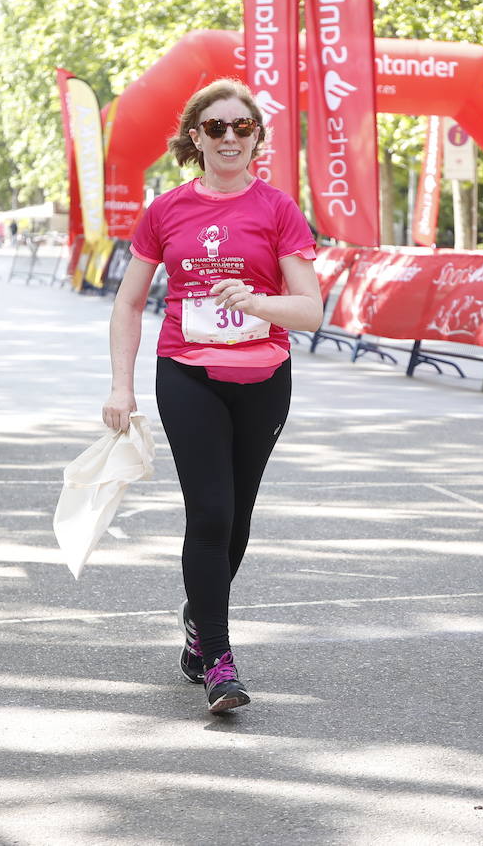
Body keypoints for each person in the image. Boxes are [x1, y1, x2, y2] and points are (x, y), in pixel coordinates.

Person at [102, 79, 322, 714]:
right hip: (188, 373)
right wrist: (122, 386)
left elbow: (310, 310)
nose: (231, 137)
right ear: (194, 137)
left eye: (243, 127)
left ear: (257, 137)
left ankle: (199, 624)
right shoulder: (165, 210)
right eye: (217, 127)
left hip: (263, 376)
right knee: (212, 512)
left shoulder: (280, 209)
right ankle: (220, 662)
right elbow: (130, 301)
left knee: (239, 520)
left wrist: (256, 301)